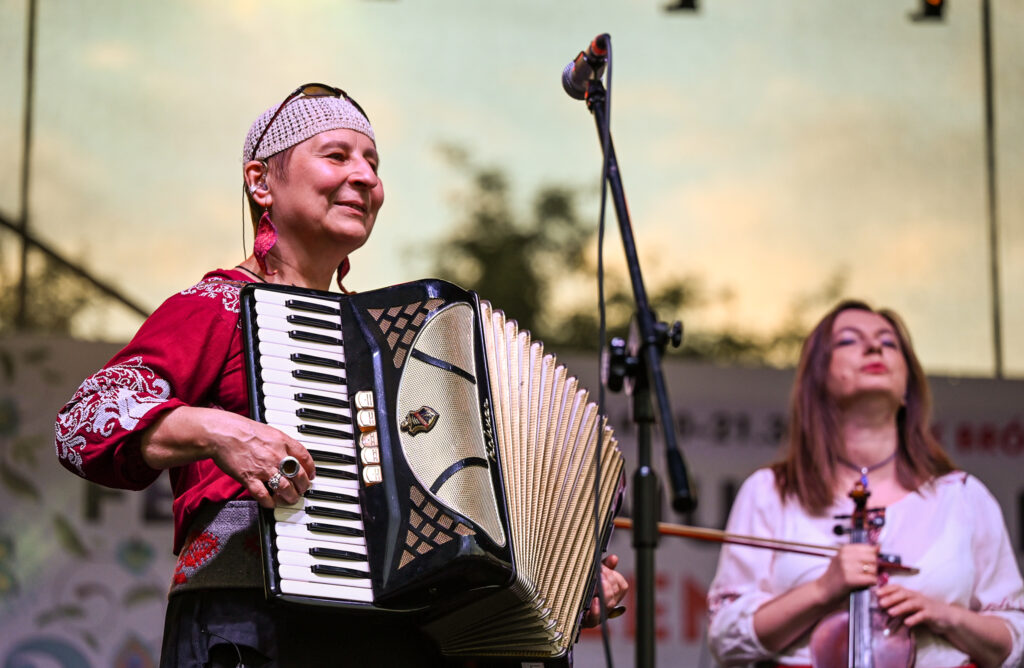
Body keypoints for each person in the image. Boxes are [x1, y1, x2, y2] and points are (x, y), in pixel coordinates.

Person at [54, 83, 627, 667]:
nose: (366, 178)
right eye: (337, 155)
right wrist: (219, 432)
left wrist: (552, 582)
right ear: (260, 182)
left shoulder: (388, 347)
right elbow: (84, 421)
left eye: (373, 163)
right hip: (251, 628)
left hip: (389, 639)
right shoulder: (219, 304)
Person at [706, 300, 1024, 667]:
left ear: (907, 387)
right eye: (848, 341)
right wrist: (823, 590)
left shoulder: (964, 497)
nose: (874, 348)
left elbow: (1015, 639)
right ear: (818, 379)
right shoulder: (770, 492)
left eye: (888, 343)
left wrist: (948, 616)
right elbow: (725, 639)